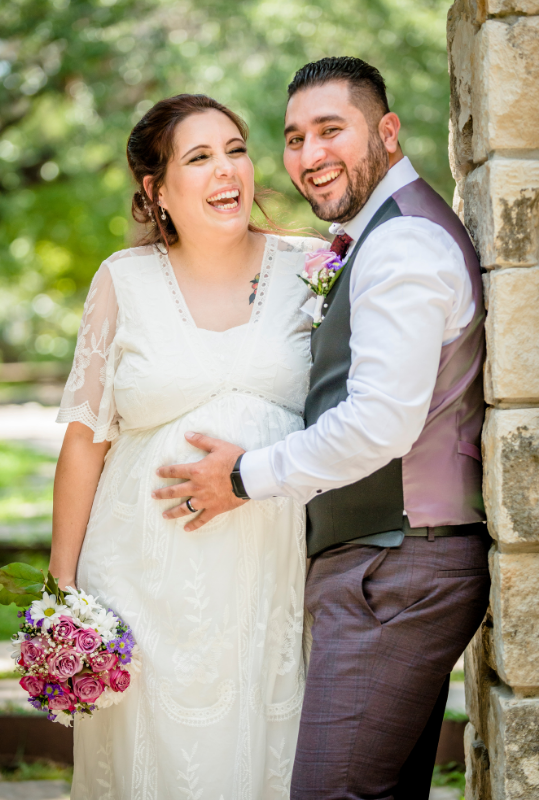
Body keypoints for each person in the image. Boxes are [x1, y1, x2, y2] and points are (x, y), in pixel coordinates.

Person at [153, 58, 491, 799]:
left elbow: (378, 424)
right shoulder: (378, 237)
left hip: (397, 572)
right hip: (387, 568)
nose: (310, 156)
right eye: (294, 138)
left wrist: (243, 476)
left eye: (331, 130)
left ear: (389, 131)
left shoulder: (402, 245)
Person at [49, 93, 322, 799]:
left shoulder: (313, 268)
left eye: (235, 149)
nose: (226, 169)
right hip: (139, 581)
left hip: (270, 580)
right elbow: (85, 441)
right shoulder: (122, 280)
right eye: (198, 157)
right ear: (156, 189)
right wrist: (62, 592)